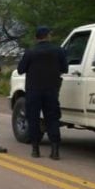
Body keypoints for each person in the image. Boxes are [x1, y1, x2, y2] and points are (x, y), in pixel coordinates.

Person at [17, 26, 68, 159]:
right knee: (52, 119)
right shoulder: (59, 51)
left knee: (33, 119)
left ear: (36, 38)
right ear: (48, 36)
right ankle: (55, 150)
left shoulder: (30, 52)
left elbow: (20, 70)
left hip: (33, 90)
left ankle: (35, 149)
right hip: (51, 89)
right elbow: (65, 68)